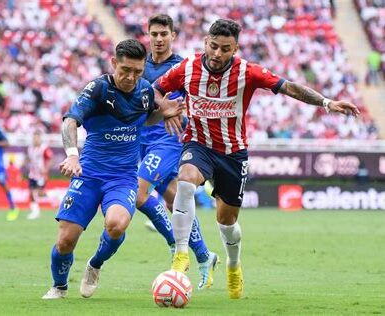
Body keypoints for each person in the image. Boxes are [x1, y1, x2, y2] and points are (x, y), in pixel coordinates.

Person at [153, 19, 360, 299]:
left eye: (225, 49)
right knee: (186, 182)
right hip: (198, 144)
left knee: (227, 222)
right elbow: (154, 90)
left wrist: (326, 103)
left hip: (233, 153)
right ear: (205, 42)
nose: (217, 54)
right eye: (213, 46)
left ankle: (233, 264)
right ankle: (180, 255)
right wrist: (165, 106)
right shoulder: (186, 68)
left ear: (235, 48)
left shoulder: (247, 72)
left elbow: (289, 87)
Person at [42, 39, 183, 299]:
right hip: (89, 174)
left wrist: (163, 113)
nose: (131, 77)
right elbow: (70, 121)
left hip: (123, 178)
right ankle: (59, 286)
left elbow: (148, 115)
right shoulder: (97, 89)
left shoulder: (145, 91)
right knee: (65, 241)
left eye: (138, 72)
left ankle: (95, 264)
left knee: (116, 225)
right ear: (114, 63)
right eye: (125, 70)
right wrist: (72, 156)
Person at [136, 14, 218, 290]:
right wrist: (162, 108)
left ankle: (175, 244)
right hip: (141, 140)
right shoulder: (140, 66)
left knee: (138, 193)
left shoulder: (182, 67)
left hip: (169, 140)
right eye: (154, 34)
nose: (159, 39)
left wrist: (176, 113)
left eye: (164, 34)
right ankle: (206, 256)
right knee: (173, 201)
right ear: (148, 35)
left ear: (173, 36)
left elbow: (194, 101)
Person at [26, 129, 53, 219]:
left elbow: (50, 159)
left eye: (37, 138)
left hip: (41, 175)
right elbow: (29, 159)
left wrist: (46, 169)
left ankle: (54, 195)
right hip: (32, 174)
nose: (35, 140)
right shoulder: (30, 148)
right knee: (31, 192)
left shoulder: (44, 148)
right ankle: (35, 211)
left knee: (38, 192)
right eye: (34, 138)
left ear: (40, 138)